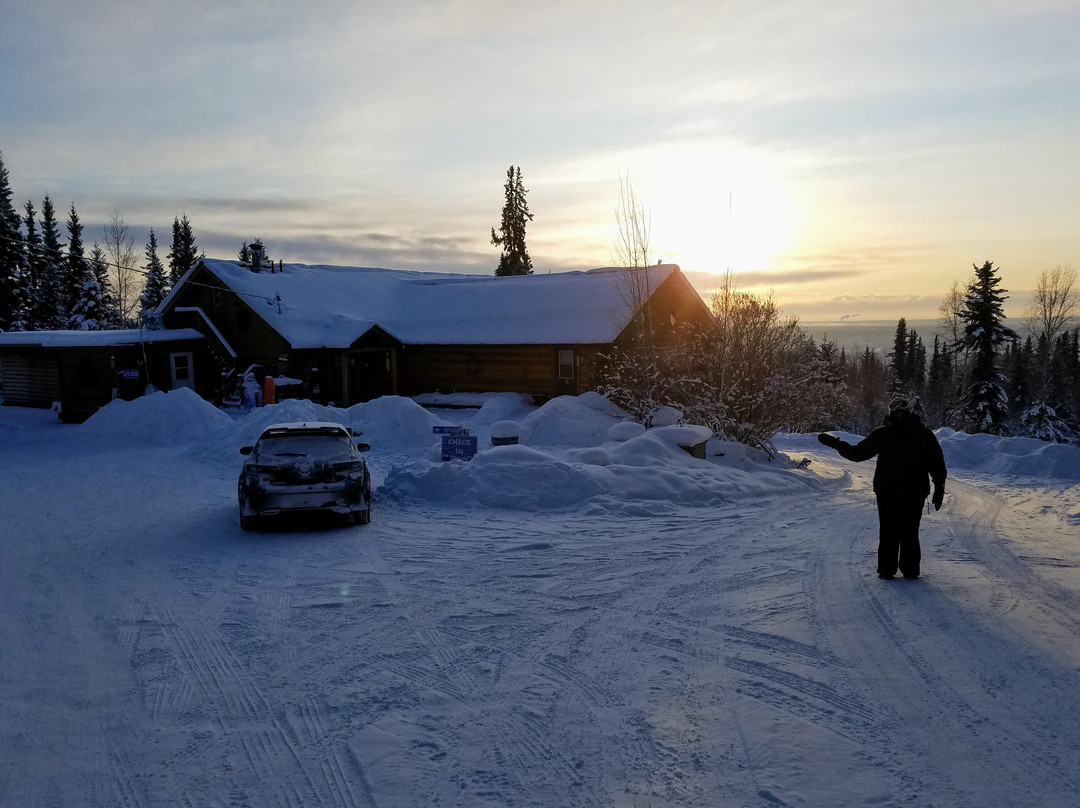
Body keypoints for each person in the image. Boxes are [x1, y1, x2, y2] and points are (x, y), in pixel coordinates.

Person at [817, 397, 947, 580]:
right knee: (893, 531)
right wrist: (837, 444)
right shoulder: (886, 434)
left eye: (901, 406)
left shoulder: (920, 434)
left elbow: (936, 462)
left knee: (903, 531)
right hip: (891, 491)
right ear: (890, 411)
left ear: (909, 410)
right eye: (894, 406)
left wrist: (939, 485)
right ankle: (892, 570)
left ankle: (901, 570)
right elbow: (857, 454)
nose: (898, 410)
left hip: (908, 491)